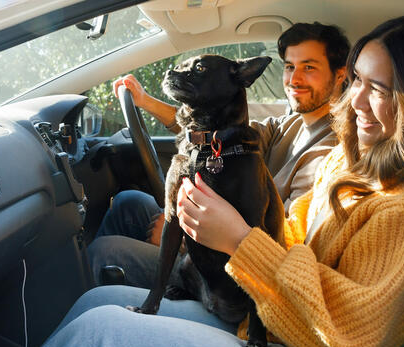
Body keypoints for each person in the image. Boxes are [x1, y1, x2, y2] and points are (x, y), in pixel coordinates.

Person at [27, 14, 404, 347]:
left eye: (378, 88)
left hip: (300, 346)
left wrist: (236, 239)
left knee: (97, 334)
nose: (356, 101)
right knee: (99, 301)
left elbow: (353, 339)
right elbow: (287, 226)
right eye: (358, 82)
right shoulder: (348, 157)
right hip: (267, 305)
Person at [89, 22, 350, 286]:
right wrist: (145, 101)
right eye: (290, 67)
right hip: (208, 231)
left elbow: (289, 239)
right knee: (127, 203)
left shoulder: (333, 152)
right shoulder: (288, 123)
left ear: (340, 75)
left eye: (309, 67)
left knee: (106, 253)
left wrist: (185, 238)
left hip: (232, 270)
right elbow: (208, 133)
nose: (294, 79)